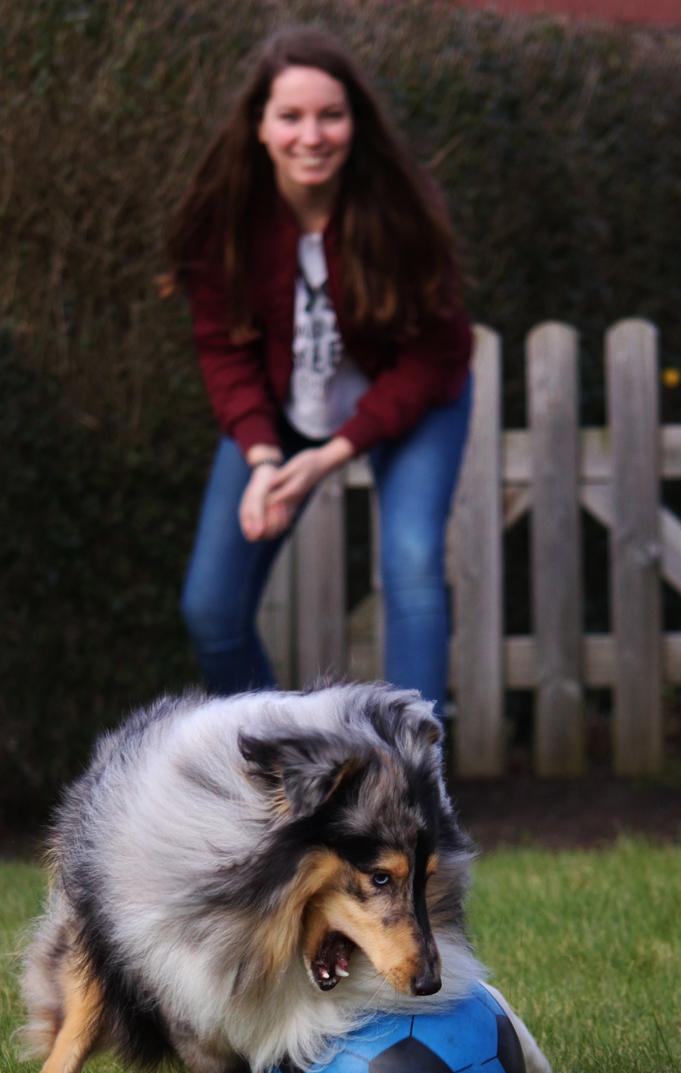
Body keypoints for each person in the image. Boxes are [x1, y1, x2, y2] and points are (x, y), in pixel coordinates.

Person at [167, 26, 473, 719]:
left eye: (330, 115)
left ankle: (410, 785)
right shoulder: (224, 223)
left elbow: (438, 354)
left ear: (355, 123)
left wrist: (331, 455)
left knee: (412, 564)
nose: (312, 135)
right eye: (291, 116)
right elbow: (223, 349)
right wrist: (264, 454)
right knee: (210, 609)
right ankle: (279, 778)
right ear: (258, 127)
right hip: (282, 413)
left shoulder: (401, 212)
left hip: (413, 405)